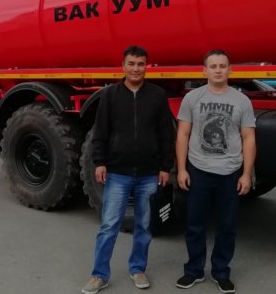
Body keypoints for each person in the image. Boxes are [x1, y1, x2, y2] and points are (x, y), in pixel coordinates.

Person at [82, 45, 175, 294]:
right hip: (117, 173)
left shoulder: (157, 95)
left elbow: (166, 134)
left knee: (144, 225)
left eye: (140, 64)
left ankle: (137, 269)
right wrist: (99, 162)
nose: (136, 68)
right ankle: (99, 275)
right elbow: (101, 132)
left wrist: (165, 167)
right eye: (131, 63)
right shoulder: (110, 95)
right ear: (123, 66)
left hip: (149, 173)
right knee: (109, 225)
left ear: (147, 66)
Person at [175, 49, 256, 294]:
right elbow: (183, 134)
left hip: (230, 172)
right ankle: (194, 271)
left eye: (222, 66)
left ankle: (221, 272)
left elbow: (248, 138)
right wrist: (181, 169)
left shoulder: (242, 101)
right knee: (195, 224)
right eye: (213, 66)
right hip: (198, 170)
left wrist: (246, 174)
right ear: (204, 71)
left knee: (227, 226)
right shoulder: (192, 98)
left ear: (230, 70)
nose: (218, 70)